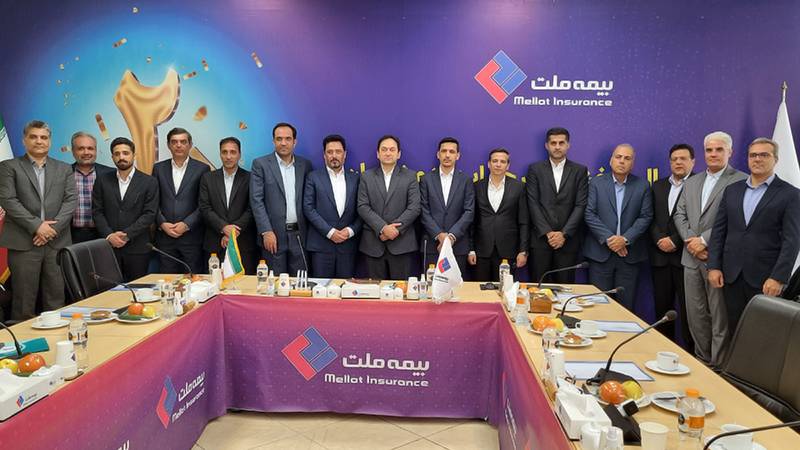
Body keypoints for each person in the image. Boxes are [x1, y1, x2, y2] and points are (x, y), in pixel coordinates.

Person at [708, 137, 800, 333]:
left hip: (766, 279)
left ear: (775, 159)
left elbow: (792, 241)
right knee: (735, 330)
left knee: (764, 334)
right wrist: (713, 266)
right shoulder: (732, 191)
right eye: (753, 155)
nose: (757, 159)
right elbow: (718, 232)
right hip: (731, 276)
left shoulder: (790, 194)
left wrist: (778, 278)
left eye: (764, 155)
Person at [673, 131, 746, 368]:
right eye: (709, 150)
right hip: (691, 259)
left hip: (719, 260)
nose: (713, 154)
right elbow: (679, 214)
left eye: (719, 150)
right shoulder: (692, 181)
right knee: (695, 316)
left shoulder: (741, 181)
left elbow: (737, 219)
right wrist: (692, 242)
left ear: (730, 152)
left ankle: (719, 367)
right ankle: (703, 362)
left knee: (719, 317)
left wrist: (704, 241)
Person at [0, 120, 76, 320]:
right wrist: (37, 227)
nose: (39, 141)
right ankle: (23, 340)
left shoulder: (64, 168)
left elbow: (70, 201)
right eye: (33, 137)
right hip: (23, 242)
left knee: (56, 299)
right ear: (24, 140)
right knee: (23, 301)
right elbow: (8, 200)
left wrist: (50, 230)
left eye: (43, 137)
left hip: (56, 242)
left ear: (49, 141)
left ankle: (55, 337)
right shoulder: (8, 167)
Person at [583, 144, 653, 311]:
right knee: (598, 308)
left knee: (625, 308)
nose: (622, 161)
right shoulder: (596, 183)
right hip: (600, 255)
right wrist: (610, 239)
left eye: (627, 158)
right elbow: (589, 214)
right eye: (618, 157)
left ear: (632, 163)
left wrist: (625, 239)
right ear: (611, 160)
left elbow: (645, 216)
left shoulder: (642, 185)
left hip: (629, 255)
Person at [526, 127, 588, 283]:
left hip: (568, 242)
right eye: (553, 143)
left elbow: (580, 205)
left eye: (561, 143)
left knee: (565, 289)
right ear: (546, 145)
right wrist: (548, 233)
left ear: (568, 145)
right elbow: (533, 203)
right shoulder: (535, 169)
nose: (557, 147)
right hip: (541, 241)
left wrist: (563, 234)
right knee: (538, 289)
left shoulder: (580, 170)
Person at [92, 137, 159, 281]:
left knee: (138, 289)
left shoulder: (149, 182)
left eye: (125, 153)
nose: (121, 157)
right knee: (110, 289)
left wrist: (127, 235)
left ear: (134, 155)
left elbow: (149, 214)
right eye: (117, 154)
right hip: (109, 246)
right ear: (112, 157)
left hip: (138, 247)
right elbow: (97, 211)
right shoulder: (102, 180)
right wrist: (109, 235)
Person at [649, 144, 695, 348]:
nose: (678, 162)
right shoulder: (658, 186)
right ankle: (663, 350)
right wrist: (659, 239)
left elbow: (697, 220)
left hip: (686, 257)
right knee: (662, 310)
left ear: (692, 161)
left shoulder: (699, 185)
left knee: (689, 312)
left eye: (683, 159)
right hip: (660, 257)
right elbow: (650, 217)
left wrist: (675, 240)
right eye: (674, 159)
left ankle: (691, 354)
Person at [250, 122, 312, 275]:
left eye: (288, 139)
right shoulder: (260, 164)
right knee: (275, 283)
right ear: (273, 141)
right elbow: (256, 201)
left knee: (300, 282)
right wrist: (266, 231)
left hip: (299, 235)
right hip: (273, 236)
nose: (283, 143)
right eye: (279, 139)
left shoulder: (305, 165)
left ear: (294, 142)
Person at [357, 135, 421, 280]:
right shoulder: (366, 176)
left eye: (392, 150)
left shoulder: (410, 176)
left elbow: (414, 207)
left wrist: (395, 230)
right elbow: (362, 206)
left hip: (401, 244)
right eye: (384, 149)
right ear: (378, 153)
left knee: (400, 291)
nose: (388, 153)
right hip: (373, 243)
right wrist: (383, 228)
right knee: (375, 291)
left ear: (399, 154)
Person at [303, 134, 362, 278]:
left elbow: (362, 209)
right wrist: (330, 232)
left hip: (348, 246)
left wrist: (350, 231)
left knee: (345, 289)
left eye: (338, 151)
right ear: (324, 156)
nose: (334, 155)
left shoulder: (356, 178)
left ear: (344, 155)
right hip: (321, 246)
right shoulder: (313, 177)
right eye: (330, 152)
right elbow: (308, 208)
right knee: (321, 289)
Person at [152, 127, 210, 274]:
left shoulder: (202, 169)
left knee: (193, 279)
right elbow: (153, 201)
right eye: (174, 142)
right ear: (168, 145)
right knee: (167, 280)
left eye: (183, 142)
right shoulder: (158, 168)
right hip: (165, 238)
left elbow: (204, 203)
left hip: (191, 237)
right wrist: (162, 223)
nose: (178, 145)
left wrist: (187, 224)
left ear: (190, 145)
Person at [198, 137, 258, 274]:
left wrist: (233, 231)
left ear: (239, 154)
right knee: (214, 283)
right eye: (224, 152)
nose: (228, 156)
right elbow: (205, 208)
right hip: (215, 242)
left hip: (243, 243)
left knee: (244, 284)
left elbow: (252, 208)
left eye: (233, 152)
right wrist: (223, 227)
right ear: (220, 154)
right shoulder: (207, 178)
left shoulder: (250, 178)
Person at [468, 148, 529, 281]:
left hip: (508, 251)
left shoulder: (519, 187)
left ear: (508, 165)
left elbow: (524, 221)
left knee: (505, 290)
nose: (498, 164)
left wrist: (523, 251)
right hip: (481, 251)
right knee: (480, 290)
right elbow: (471, 221)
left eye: (502, 161)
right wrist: (471, 249)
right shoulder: (476, 186)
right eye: (495, 161)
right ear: (489, 164)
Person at [419, 137, 474, 276]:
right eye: (444, 151)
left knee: (456, 287)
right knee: (430, 286)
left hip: (458, 245)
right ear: (438, 154)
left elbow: (469, 211)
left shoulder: (466, 180)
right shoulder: (426, 179)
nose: (447, 155)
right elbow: (423, 211)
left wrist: (451, 237)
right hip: (432, 245)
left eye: (452, 151)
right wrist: (439, 235)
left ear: (458, 155)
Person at [69, 132, 113, 243]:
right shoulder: (64, 173)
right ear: (73, 151)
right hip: (71, 235)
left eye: (90, 148)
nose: (86, 152)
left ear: (95, 151)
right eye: (81, 148)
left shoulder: (110, 173)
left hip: (104, 234)